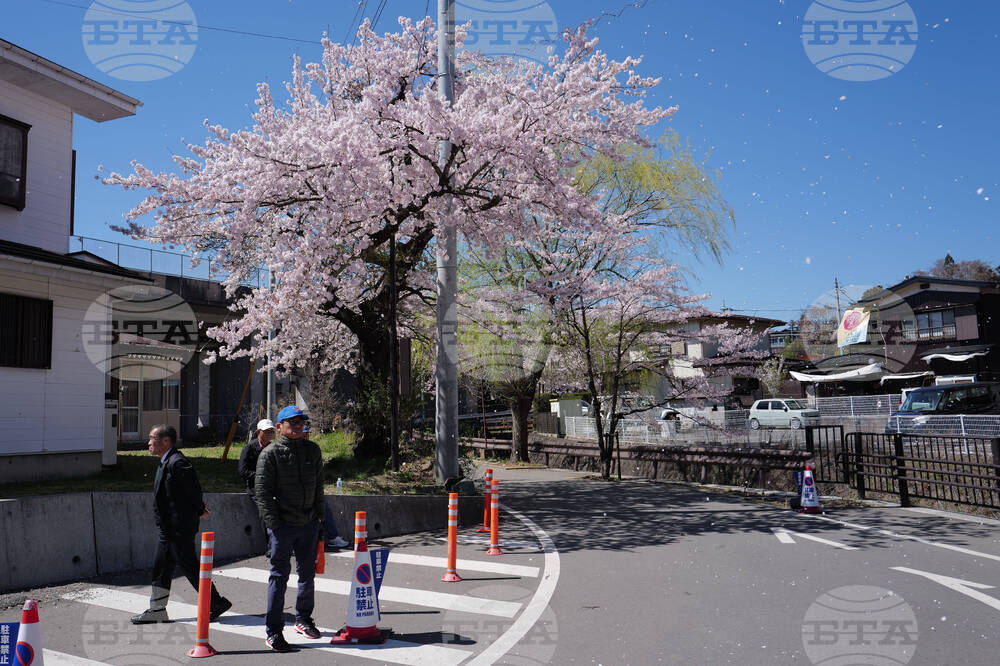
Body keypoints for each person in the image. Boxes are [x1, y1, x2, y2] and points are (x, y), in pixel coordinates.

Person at [131, 425, 232, 625]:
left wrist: (199, 509)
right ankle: (157, 609)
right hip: (168, 529)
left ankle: (216, 603)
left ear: (166, 441)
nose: (149, 442)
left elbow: (193, 490)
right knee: (162, 568)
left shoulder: (178, 462)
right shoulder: (167, 461)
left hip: (178, 530)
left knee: (190, 567)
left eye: (153, 438)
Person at [256, 405, 324, 652]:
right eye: (292, 422)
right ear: (281, 427)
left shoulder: (312, 451)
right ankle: (273, 631)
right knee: (279, 577)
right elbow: (262, 494)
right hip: (283, 526)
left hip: (308, 524)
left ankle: (303, 619)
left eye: (301, 422)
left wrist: (320, 520)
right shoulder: (270, 454)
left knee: (308, 574)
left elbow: (319, 488)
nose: (297, 426)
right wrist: (275, 525)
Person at [302, 422, 349, 550]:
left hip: (313, 488)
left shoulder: (312, 449)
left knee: (324, 508)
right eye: (303, 434)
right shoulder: (293, 449)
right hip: (297, 491)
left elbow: (318, 471)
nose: (305, 436)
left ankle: (333, 537)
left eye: (307, 434)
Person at [239, 418, 275, 554]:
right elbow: (243, 471)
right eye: (266, 431)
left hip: (273, 486)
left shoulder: (273, 448)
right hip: (256, 488)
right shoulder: (249, 448)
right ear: (259, 432)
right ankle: (271, 546)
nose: (269, 434)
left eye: (271, 431)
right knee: (265, 513)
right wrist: (261, 476)